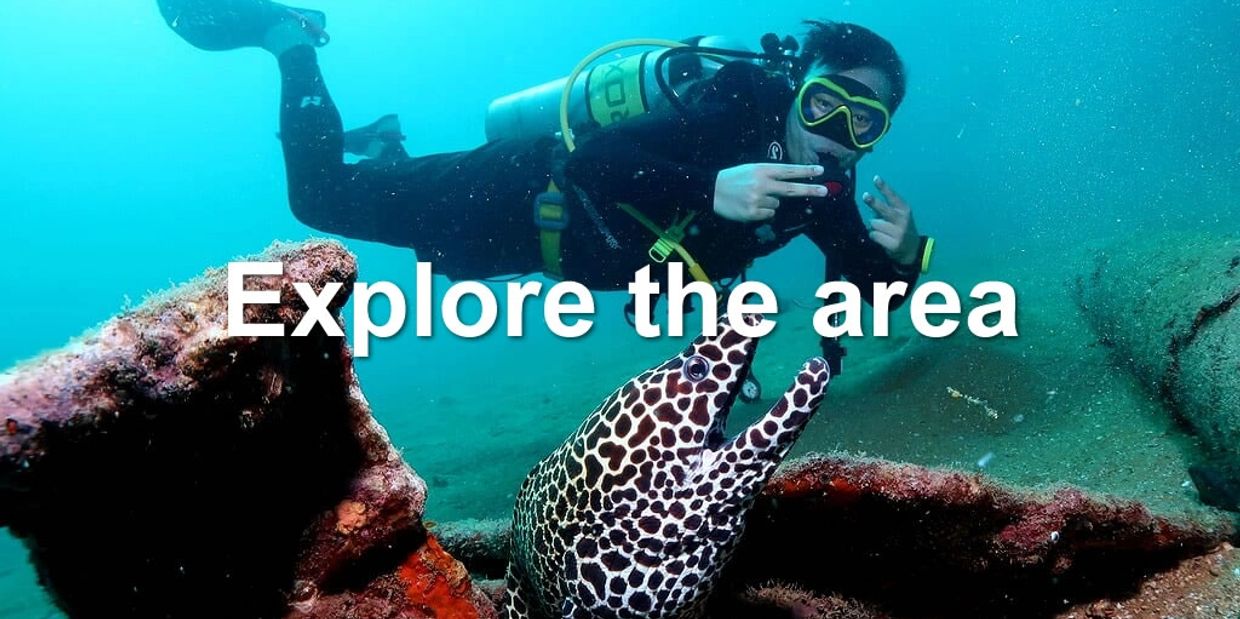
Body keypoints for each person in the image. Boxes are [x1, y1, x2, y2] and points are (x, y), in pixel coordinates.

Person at [156, 1, 933, 380]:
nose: (836, 132)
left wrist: (903, 258)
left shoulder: (826, 187)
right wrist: (710, 188)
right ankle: (290, 41)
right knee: (321, 199)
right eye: (826, 102)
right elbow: (595, 160)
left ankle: (390, 141)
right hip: (514, 187)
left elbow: (860, 299)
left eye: (865, 123)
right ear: (799, 85)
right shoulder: (727, 106)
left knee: (445, 260)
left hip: (539, 249)